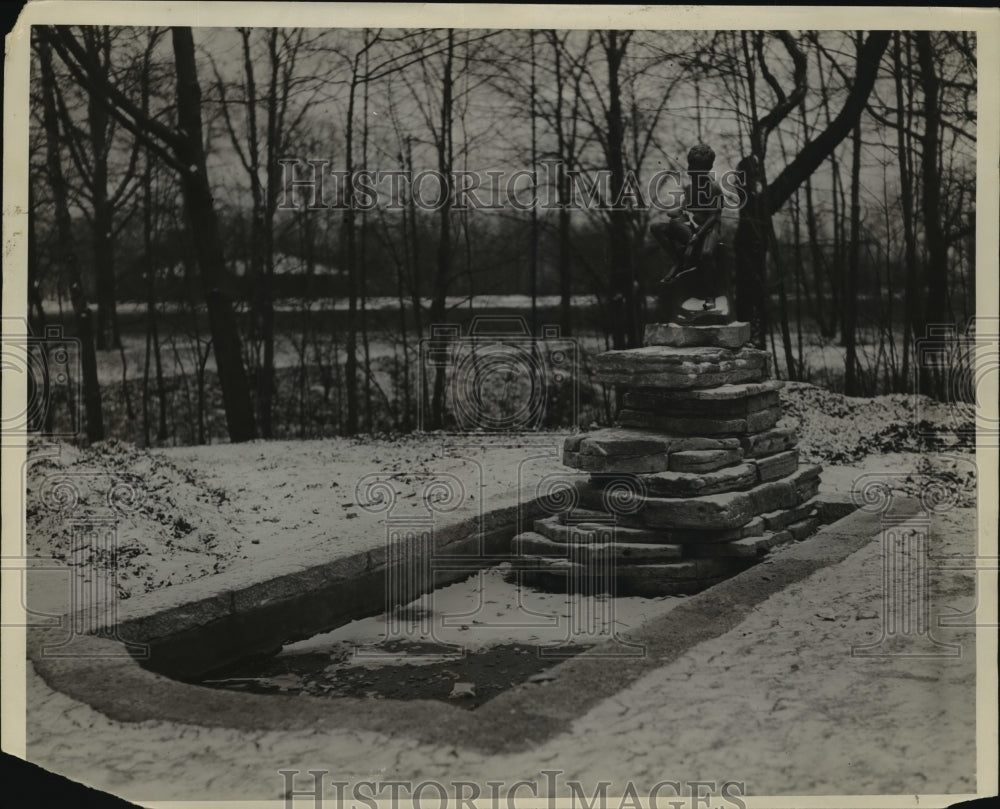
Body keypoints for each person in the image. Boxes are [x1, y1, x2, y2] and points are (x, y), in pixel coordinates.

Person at [649, 143, 729, 324]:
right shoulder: (690, 188)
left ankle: (710, 295)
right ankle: (677, 261)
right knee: (657, 228)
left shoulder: (713, 188)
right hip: (693, 227)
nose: (692, 172)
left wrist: (697, 236)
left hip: (709, 230)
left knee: (707, 254)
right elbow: (685, 209)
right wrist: (675, 213)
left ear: (707, 169)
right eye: (691, 167)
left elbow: (713, 217)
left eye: (697, 169)